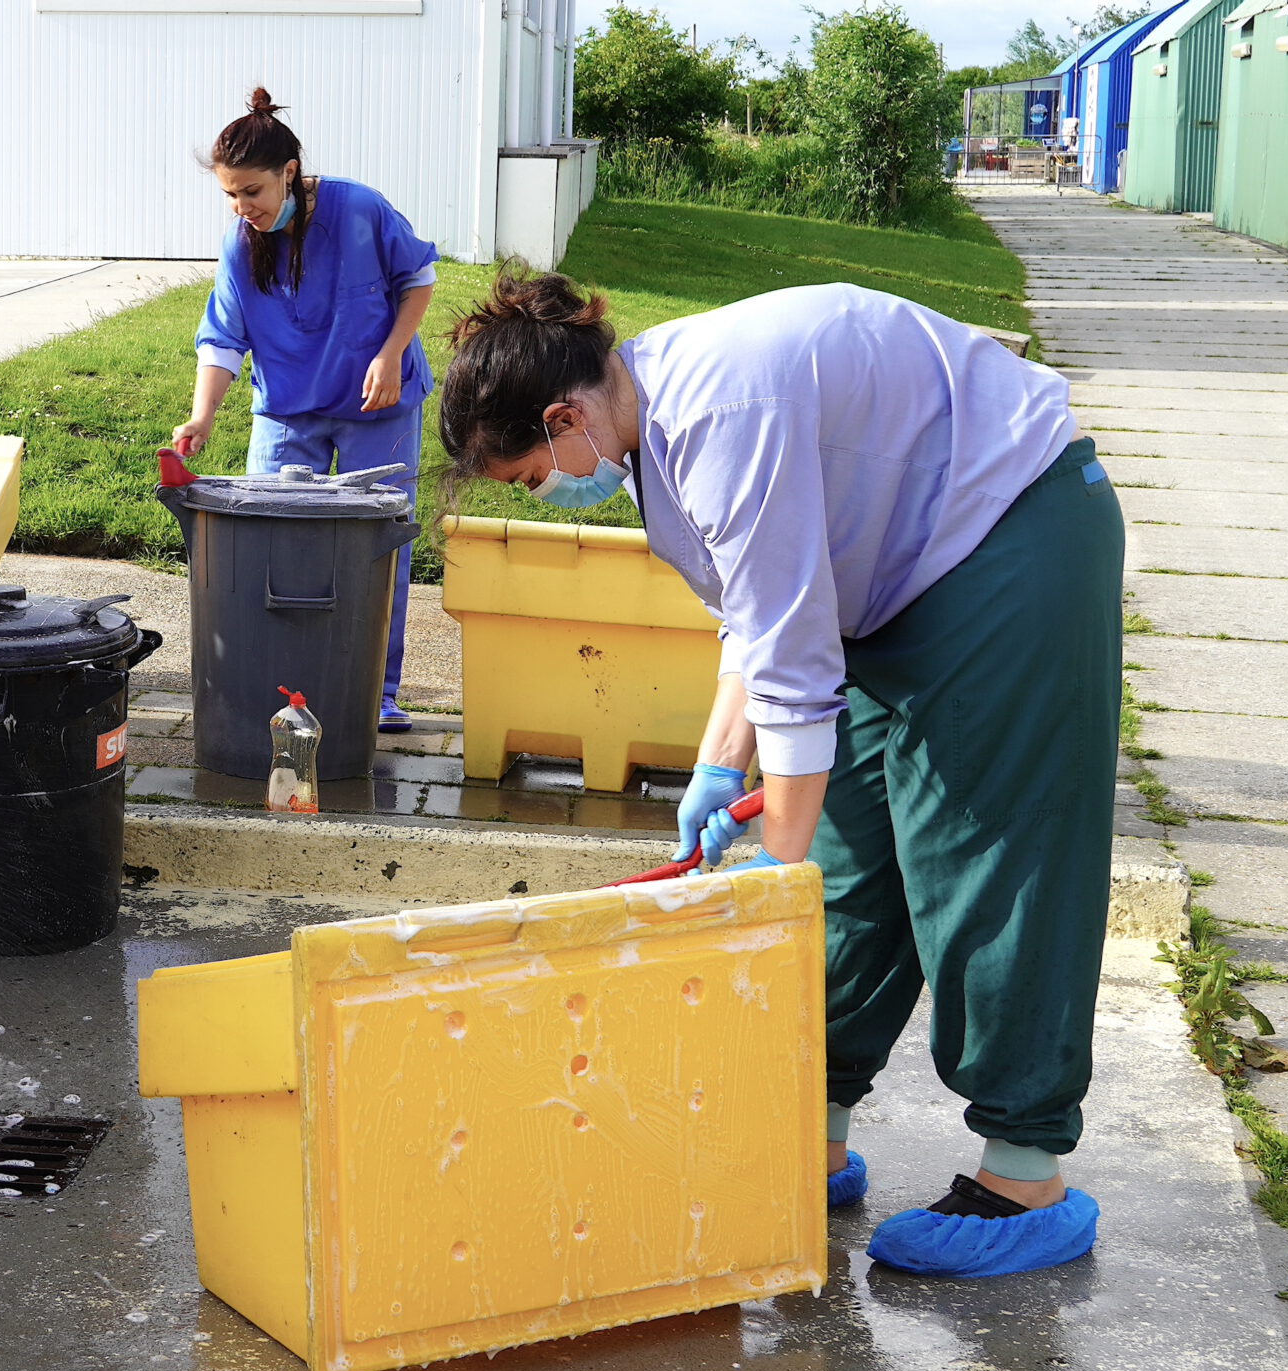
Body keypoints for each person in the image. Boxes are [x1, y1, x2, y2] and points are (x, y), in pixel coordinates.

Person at [436, 268, 1118, 1280]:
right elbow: (757, 623)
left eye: (535, 474)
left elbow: (794, 670)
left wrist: (772, 867)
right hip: (893, 582)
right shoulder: (650, 430)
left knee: (979, 855)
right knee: (849, 868)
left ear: (560, 415)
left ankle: (1023, 1175)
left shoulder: (719, 411)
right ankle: (811, 1126)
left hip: (1003, 544)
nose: (555, 492)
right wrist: (717, 769)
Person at [170, 88, 439, 732]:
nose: (243, 208)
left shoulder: (360, 210)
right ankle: (283, 686)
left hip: (380, 401)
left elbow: (419, 280)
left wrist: (390, 353)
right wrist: (203, 414)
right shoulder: (240, 244)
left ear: (289, 173)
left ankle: (377, 691)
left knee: (380, 546)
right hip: (288, 410)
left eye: (252, 191)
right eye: (231, 195)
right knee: (275, 545)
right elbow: (224, 336)